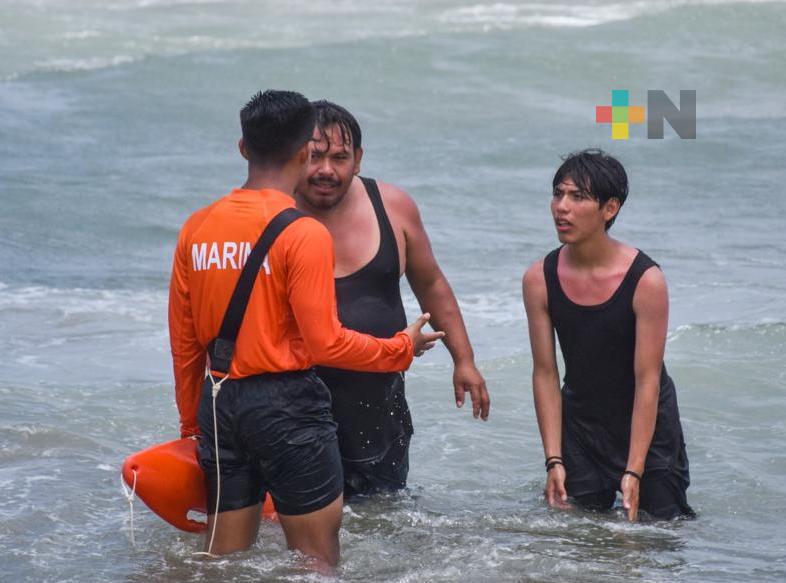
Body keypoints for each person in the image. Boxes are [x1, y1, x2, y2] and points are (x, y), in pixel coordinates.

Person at [168, 90, 444, 568]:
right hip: (288, 408)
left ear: (242, 148)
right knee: (316, 562)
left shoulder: (198, 227)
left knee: (221, 559)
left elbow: (185, 343)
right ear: (302, 152)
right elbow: (326, 344)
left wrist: (192, 425)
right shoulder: (302, 233)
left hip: (220, 403)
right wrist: (401, 347)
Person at [294, 101, 490, 498]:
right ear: (295, 156)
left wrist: (464, 360)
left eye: (339, 158)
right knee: (303, 524)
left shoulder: (393, 206)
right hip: (297, 406)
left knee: (381, 518)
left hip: (379, 405)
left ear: (358, 159)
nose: (326, 170)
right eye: (314, 156)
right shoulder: (273, 214)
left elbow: (431, 283)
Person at [522, 149, 694, 521]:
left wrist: (634, 470)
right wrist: (554, 459)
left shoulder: (645, 280)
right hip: (581, 426)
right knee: (577, 534)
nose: (561, 207)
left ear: (610, 208)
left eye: (577, 197)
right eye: (558, 194)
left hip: (647, 427)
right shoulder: (539, 279)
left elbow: (647, 380)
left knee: (658, 533)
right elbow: (545, 373)